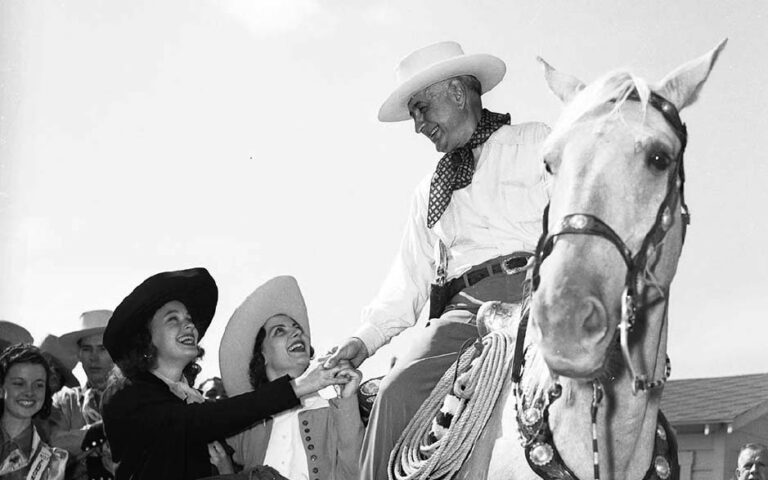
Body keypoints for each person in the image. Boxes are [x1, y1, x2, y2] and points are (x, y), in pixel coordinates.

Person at [324, 41, 550, 478]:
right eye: (413, 114)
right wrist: (363, 341)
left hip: (541, 296)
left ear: (458, 94)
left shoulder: (535, 141)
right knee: (394, 392)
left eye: (422, 109)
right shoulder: (429, 190)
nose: (417, 126)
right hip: (465, 315)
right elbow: (408, 277)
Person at [100, 267, 351, 480]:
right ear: (145, 340)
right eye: (172, 319)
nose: (189, 325)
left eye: (189, 319)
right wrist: (300, 385)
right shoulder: (126, 395)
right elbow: (192, 422)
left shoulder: (195, 401)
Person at [216, 276, 363, 480]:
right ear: (262, 356)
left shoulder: (334, 413)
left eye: (297, 328)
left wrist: (347, 400)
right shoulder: (248, 424)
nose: (296, 332)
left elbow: (357, 474)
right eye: (280, 331)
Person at [47, 310, 115, 480]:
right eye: (87, 349)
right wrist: (104, 429)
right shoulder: (64, 401)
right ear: (79, 354)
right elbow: (53, 447)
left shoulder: (136, 397)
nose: (94, 358)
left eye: (102, 349)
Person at [0, 343, 68, 479]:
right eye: (19, 383)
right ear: (1, 389)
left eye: (38, 385)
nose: (29, 392)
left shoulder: (53, 463)